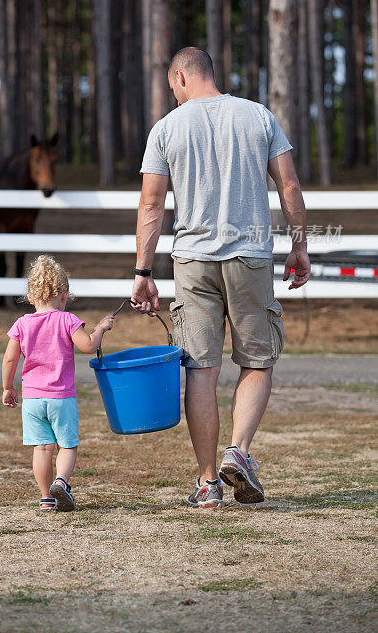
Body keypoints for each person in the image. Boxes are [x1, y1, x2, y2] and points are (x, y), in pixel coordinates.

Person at [131, 47, 310, 509]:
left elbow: (151, 205)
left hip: (192, 262)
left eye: (172, 85)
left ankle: (209, 481)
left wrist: (143, 272)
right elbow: (288, 185)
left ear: (180, 76)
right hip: (249, 257)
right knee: (256, 361)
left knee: (201, 371)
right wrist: (299, 245)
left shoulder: (167, 129)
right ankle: (240, 451)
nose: (173, 92)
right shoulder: (258, 117)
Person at [1, 254, 114, 512]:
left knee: (41, 448)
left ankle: (45, 497)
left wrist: (8, 387)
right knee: (67, 445)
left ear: (30, 297)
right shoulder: (67, 320)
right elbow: (88, 346)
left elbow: (9, 359)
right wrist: (100, 328)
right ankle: (61, 482)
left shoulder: (21, 324)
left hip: (32, 398)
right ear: (64, 295)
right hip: (60, 397)